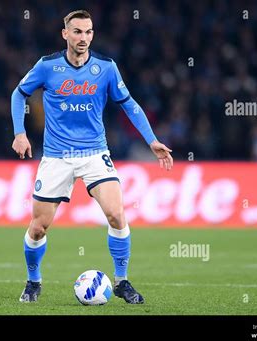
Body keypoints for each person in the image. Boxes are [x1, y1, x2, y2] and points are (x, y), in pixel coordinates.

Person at [11, 10, 173, 304]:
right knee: (38, 227)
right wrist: (19, 133)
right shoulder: (47, 66)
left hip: (95, 153)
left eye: (87, 32)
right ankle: (33, 282)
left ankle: (122, 281)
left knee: (116, 214)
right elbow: (18, 94)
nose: (83, 38)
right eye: (76, 32)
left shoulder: (106, 67)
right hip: (57, 156)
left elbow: (130, 104)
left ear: (92, 34)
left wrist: (152, 140)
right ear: (65, 34)